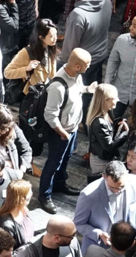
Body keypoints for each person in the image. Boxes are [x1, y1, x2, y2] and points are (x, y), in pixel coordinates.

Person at [39, 49, 91, 214]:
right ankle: (44, 195)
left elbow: (77, 90)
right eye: (86, 65)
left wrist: (88, 89)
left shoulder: (76, 76)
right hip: (61, 133)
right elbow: (50, 115)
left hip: (71, 129)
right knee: (53, 163)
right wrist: (63, 133)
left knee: (65, 159)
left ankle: (60, 184)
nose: (88, 68)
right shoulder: (57, 87)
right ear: (77, 66)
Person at [74, 161, 136, 256]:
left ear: (127, 174)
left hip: (127, 249)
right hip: (97, 250)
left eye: (121, 187)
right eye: (112, 188)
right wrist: (98, 234)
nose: (117, 191)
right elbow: (79, 224)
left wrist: (135, 236)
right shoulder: (88, 195)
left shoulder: (135, 182)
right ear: (103, 177)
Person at [5, 19, 60, 107]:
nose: (55, 38)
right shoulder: (26, 52)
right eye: (51, 36)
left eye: (56, 35)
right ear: (41, 37)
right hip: (30, 99)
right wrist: (26, 69)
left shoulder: (51, 49)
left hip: (44, 96)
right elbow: (7, 73)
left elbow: (52, 75)